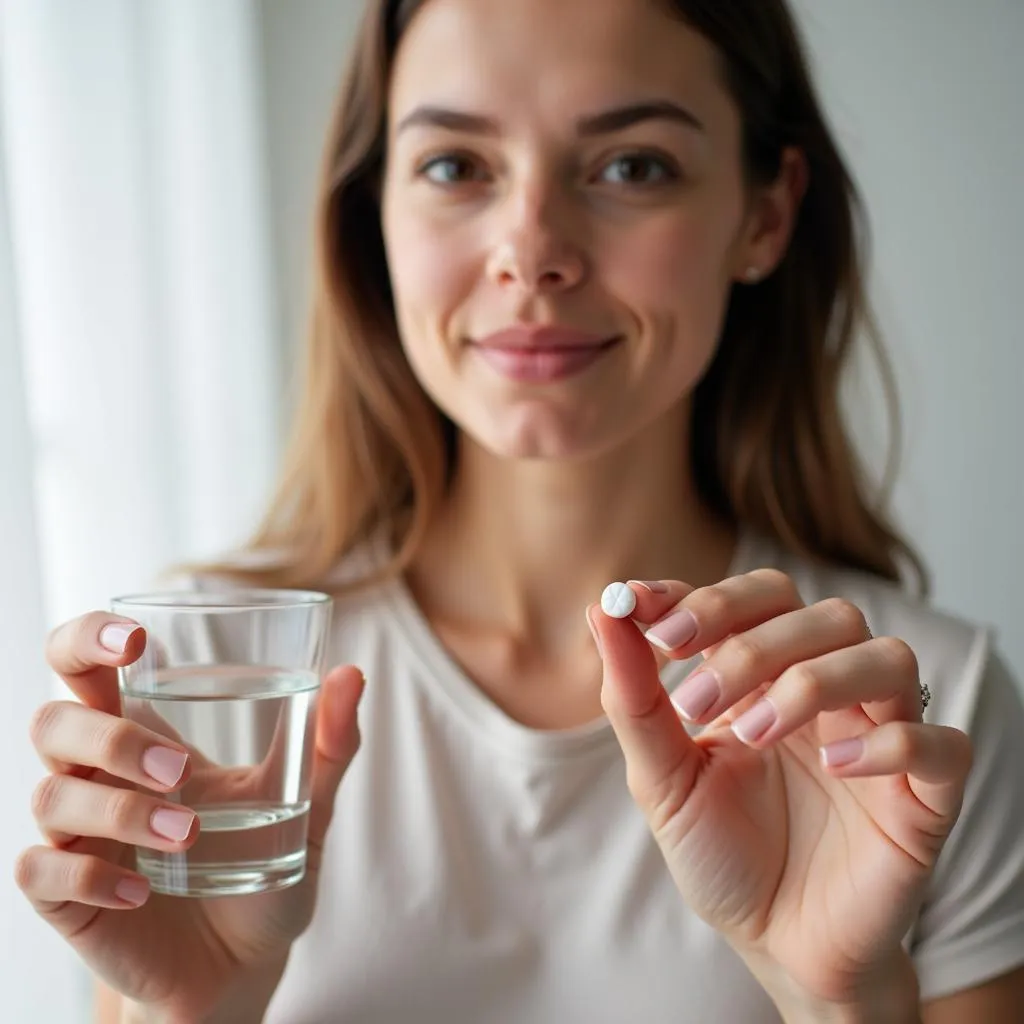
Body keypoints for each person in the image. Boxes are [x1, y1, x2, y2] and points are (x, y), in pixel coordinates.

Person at [15, 0, 1024, 1020]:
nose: (532, 249)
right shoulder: (208, 685)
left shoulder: (914, 714)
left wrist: (841, 998)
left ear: (763, 215)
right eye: (455, 166)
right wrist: (194, 1012)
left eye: (632, 165)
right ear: (377, 215)